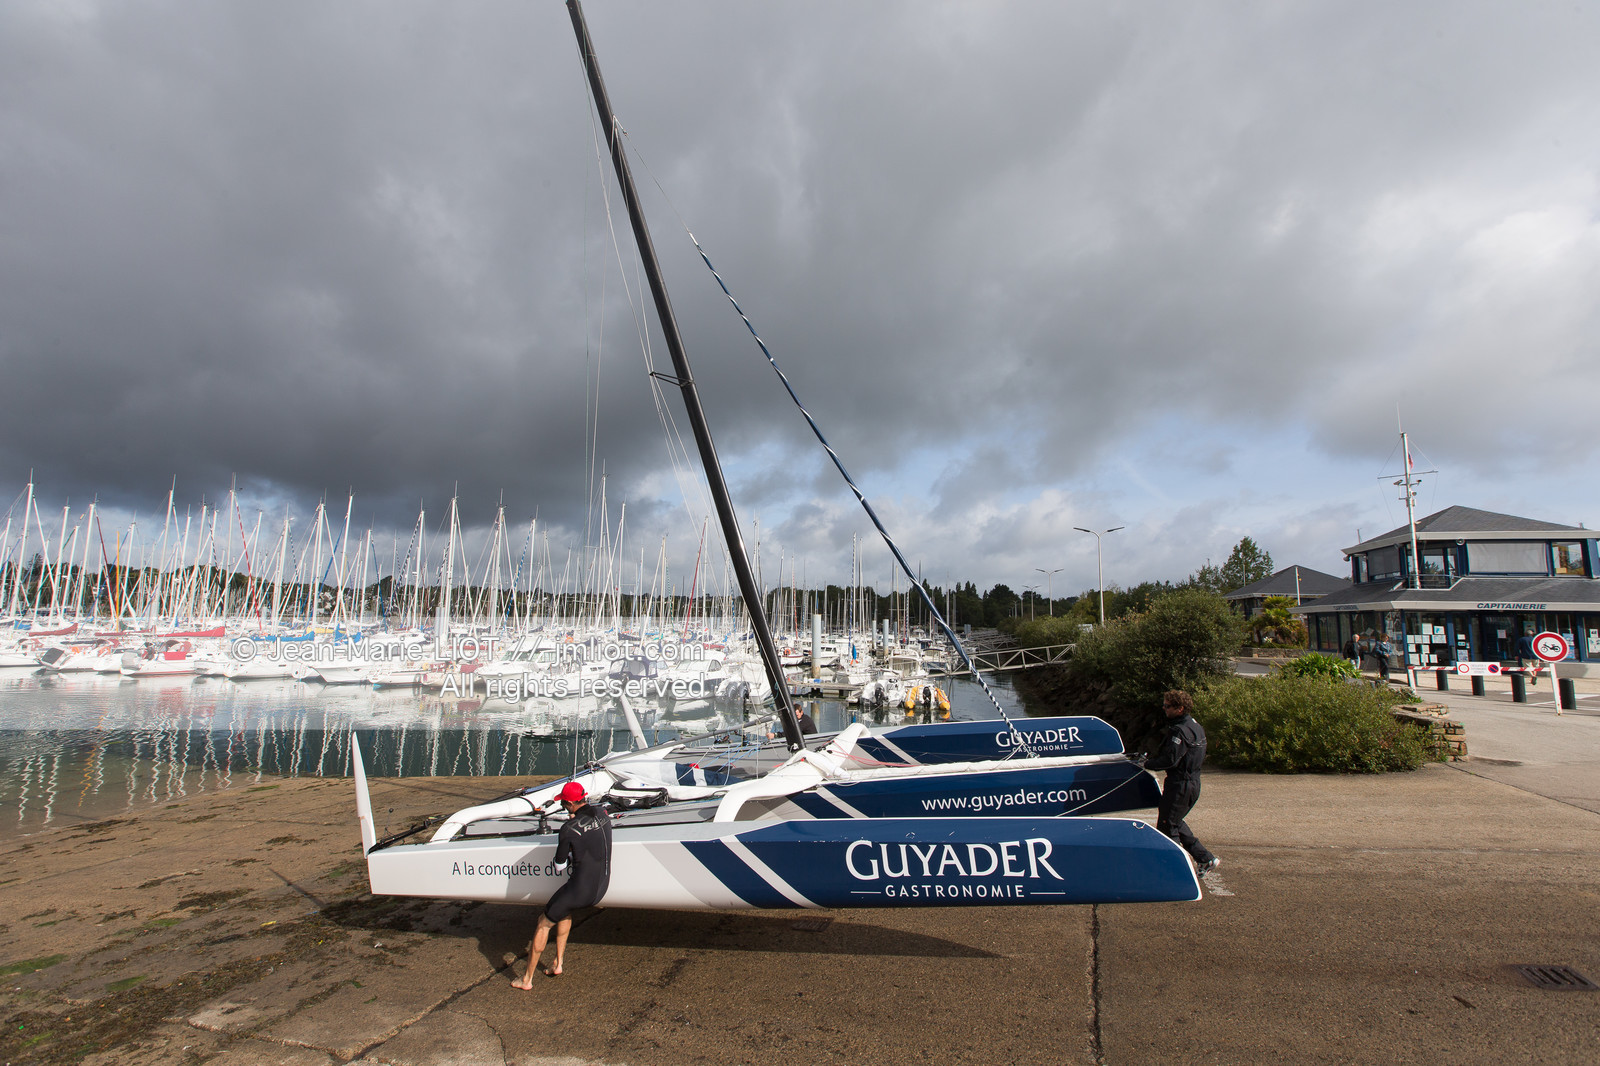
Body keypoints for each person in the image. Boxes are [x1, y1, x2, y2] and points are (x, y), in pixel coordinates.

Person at [513, 781, 612, 986]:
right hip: (602, 886)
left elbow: (559, 865)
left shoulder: (568, 828)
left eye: (563, 804)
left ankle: (526, 980)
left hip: (581, 890)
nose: (563, 807)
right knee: (564, 910)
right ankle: (558, 963)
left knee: (543, 922)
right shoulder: (603, 813)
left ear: (568, 803)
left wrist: (569, 841)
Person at [1144, 689, 1218, 876]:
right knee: (1174, 820)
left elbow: (1170, 760)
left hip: (1181, 784)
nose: (1164, 709)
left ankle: (1178, 870)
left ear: (1180, 708)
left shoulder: (1180, 730)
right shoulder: (1195, 725)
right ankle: (1205, 858)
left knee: (1167, 826)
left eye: (1168, 706)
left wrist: (1146, 764)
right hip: (1191, 783)